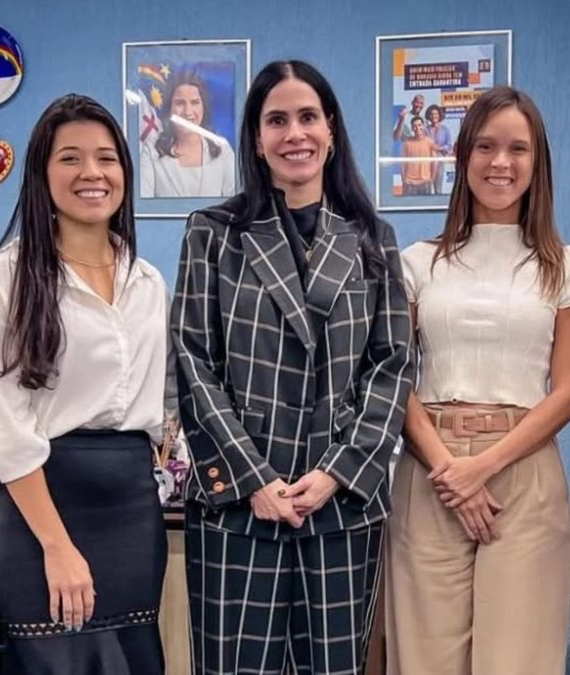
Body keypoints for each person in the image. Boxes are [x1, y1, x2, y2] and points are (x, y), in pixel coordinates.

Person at [172, 60, 413, 675]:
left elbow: (392, 367)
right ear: (256, 139)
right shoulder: (213, 234)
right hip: (239, 503)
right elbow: (193, 362)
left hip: (339, 503)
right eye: (276, 120)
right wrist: (253, 478)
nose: (294, 134)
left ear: (330, 129)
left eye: (308, 117)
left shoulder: (372, 238)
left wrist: (337, 472)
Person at [386, 86, 570, 675]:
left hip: (522, 472)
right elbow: (393, 377)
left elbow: (569, 394)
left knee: (517, 659)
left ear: (538, 162)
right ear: (463, 157)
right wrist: (451, 470)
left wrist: (481, 467)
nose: (500, 162)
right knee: (425, 658)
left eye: (517, 149)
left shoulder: (566, 267)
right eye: (485, 146)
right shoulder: (417, 263)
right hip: (430, 471)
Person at [0, 94, 172, 673]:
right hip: (43, 515)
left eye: (106, 158)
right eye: (70, 158)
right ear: (42, 173)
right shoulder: (7, 277)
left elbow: (164, 400)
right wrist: (57, 546)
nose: (91, 173)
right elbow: (5, 427)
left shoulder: (147, 281)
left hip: (132, 513)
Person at [140, 69, 236, 198]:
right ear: (169, 109)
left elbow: (236, 204)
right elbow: (143, 205)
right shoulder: (151, 151)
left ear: (204, 107)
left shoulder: (223, 149)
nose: (187, 112)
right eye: (180, 103)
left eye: (195, 102)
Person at [400, 116, 437, 195]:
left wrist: (432, 179)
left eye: (419, 125)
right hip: (410, 183)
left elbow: (434, 162)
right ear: (412, 128)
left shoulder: (430, 142)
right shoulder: (407, 143)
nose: (417, 128)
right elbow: (402, 163)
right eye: (414, 126)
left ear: (423, 126)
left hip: (425, 182)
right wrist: (404, 180)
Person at [424, 104, 454, 193]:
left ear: (439, 115)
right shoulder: (425, 129)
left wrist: (440, 148)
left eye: (436, 114)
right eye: (432, 114)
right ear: (429, 116)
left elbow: (449, 145)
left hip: (440, 159)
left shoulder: (445, 129)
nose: (434, 116)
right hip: (427, 160)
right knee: (427, 187)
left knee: (438, 187)